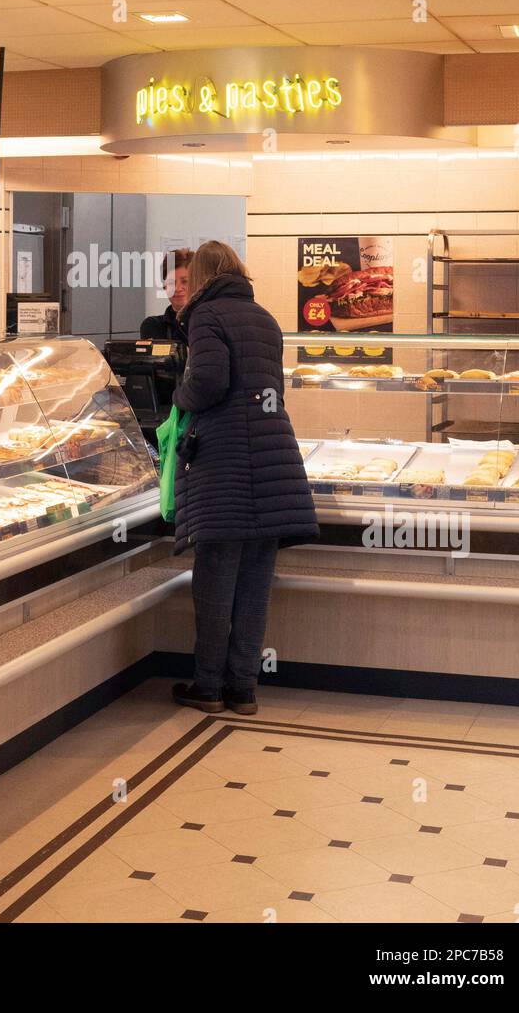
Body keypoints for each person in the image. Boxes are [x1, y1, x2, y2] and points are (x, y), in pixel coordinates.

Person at [171, 241, 319, 717]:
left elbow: (210, 382)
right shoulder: (265, 318)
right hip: (273, 461)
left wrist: (179, 393)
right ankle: (244, 688)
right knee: (255, 584)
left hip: (226, 465)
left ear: (203, 278)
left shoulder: (206, 316)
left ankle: (209, 687)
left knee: (215, 581)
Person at [139, 248, 193, 344]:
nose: (177, 288)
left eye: (185, 281)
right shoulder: (153, 326)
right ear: (165, 286)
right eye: (171, 282)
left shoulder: (210, 322)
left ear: (198, 283)